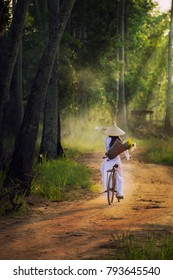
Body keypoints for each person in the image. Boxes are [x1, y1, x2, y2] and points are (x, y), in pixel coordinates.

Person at [100, 124, 127, 199]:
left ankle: (108, 189)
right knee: (119, 176)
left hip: (108, 160)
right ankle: (120, 193)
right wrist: (128, 157)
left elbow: (107, 149)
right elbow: (125, 149)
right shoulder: (119, 140)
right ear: (118, 133)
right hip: (116, 160)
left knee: (103, 170)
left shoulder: (107, 140)